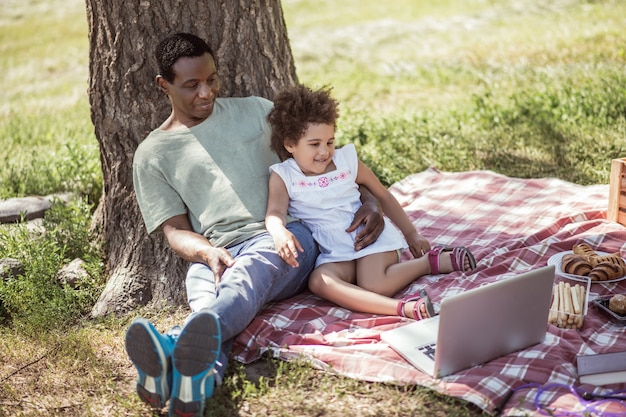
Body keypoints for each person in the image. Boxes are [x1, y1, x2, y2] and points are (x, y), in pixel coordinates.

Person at [124, 33, 385, 417]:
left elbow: (327, 164)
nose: (206, 92)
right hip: (216, 253)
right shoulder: (152, 154)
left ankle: (172, 346)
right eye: (191, 85)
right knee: (216, 309)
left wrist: (371, 200)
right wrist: (206, 252)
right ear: (164, 85)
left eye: (211, 79)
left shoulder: (257, 112)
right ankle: (193, 385)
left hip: (282, 238)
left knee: (239, 285)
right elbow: (174, 231)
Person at [265, 85, 477, 320]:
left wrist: (411, 233)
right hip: (335, 251)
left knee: (374, 283)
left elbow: (382, 194)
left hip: (370, 239)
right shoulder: (284, 176)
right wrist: (279, 232)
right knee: (319, 281)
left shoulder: (346, 162)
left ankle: (428, 265)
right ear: (290, 144)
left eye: (330, 142)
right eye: (314, 144)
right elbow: (275, 211)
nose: (324, 152)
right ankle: (403, 308)